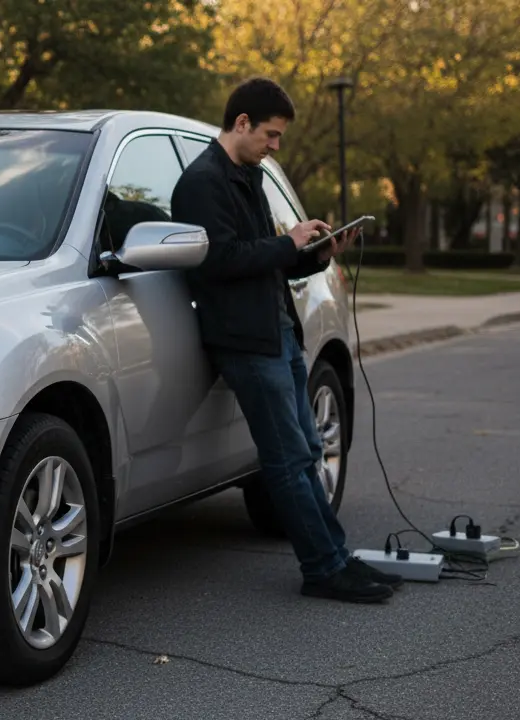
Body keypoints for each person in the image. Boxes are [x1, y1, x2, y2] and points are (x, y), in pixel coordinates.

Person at [170, 77, 400, 603]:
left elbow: (265, 259)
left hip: (277, 333)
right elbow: (219, 262)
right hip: (245, 343)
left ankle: (337, 557)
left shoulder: (249, 175)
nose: (276, 146)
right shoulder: (202, 183)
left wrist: (315, 253)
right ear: (242, 123)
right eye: (271, 135)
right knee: (290, 460)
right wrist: (285, 241)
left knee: (309, 450)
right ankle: (323, 568)